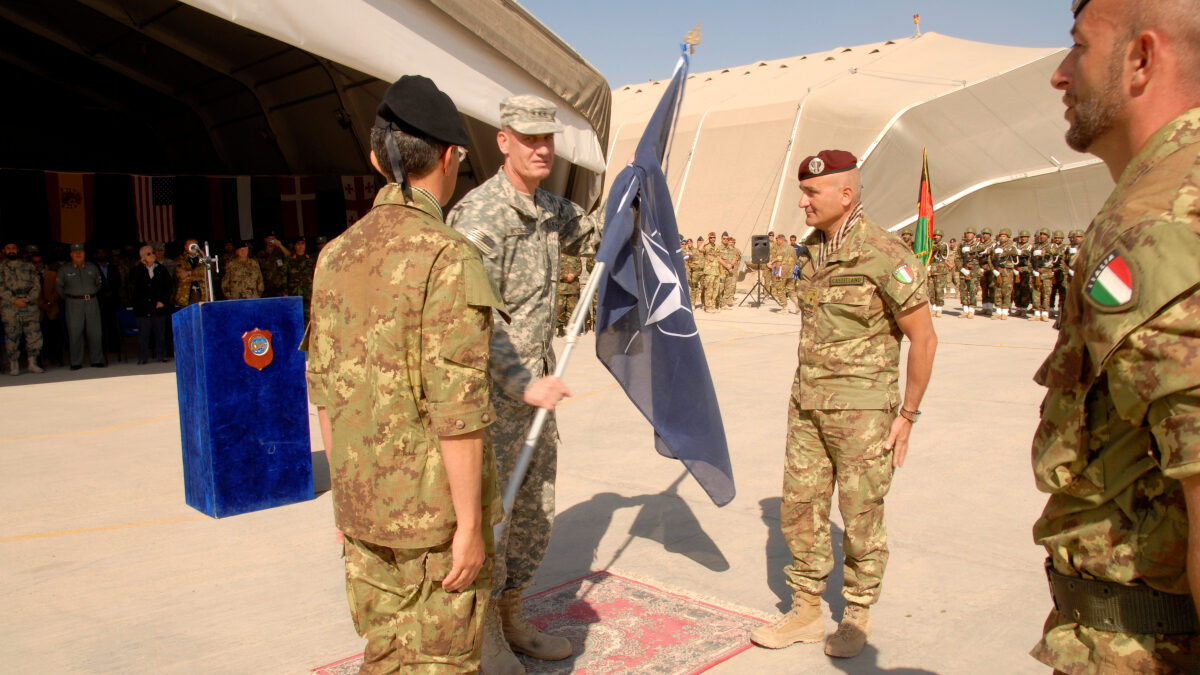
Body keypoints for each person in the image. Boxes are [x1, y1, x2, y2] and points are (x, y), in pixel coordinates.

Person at [305, 75, 507, 673]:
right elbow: (458, 409)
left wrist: (346, 506)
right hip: (432, 525)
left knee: (384, 656)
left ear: (376, 159)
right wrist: (469, 526)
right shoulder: (448, 254)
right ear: (449, 158)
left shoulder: (334, 255)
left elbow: (325, 392)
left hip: (363, 511)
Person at [1031, 0, 1200, 671]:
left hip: (1147, 649)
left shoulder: (1160, 223)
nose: (1060, 74)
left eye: (1080, 46)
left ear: (1141, 59)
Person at [751, 150, 937, 659]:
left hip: (863, 413)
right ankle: (806, 611)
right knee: (800, 508)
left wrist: (907, 415)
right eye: (803, 192)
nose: (803, 202)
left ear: (846, 195)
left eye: (812, 193)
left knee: (860, 513)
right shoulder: (811, 252)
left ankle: (856, 613)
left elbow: (923, 338)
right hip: (807, 405)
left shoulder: (884, 253)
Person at [447, 93, 601, 674]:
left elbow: (598, 234)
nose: (541, 149)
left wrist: (640, 195)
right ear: (503, 141)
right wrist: (522, 383)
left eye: (548, 139)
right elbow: (470, 320)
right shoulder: (481, 216)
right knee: (494, 516)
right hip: (491, 402)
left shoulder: (548, 209)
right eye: (529, 138)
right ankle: (482, 632)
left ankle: (512, 613)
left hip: (536, 397)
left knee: (533, 512)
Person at [56, 244, 105, 369]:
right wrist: (69, 298)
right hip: (73, 303)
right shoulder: (64, 269)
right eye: (75, 252)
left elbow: (99, 284)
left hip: (91, 301)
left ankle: (97, 360)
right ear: (71, 254)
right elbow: (59, 287)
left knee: (95, 332)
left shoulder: (92, 267)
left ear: (84, 253)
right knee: (75, 332)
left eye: (81, 251)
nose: (78, 254)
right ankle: (76, 362)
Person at [1, 242, 44, 374]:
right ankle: (14, 365)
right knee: (12, 335)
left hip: (29, 305)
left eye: (13, 248)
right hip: (10, 306)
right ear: (4, 251)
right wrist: (14, 300)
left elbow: (36, 285)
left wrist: (28, 298)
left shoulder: (28, 265)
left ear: (17, 250)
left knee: (33, 334)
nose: (11, 250)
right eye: (8, 248)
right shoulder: (1, 267)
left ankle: (32, 363)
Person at [127, 245, 173, 364]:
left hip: (158, 306)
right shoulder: (136, 270)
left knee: (160, 333)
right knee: (144, 334)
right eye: (149, 254)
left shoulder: (161, 269)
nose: (152, 255)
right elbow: (132, 282)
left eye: (153, 252)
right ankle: (143, 357)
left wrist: (163, 301)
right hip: (143, 308)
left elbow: (168, 287)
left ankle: (161, 355)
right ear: (142, 257)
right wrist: (141, 266)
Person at [987, 228, 1019, 319]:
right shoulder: (995, 246)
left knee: (1006, 291)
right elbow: (989, 258)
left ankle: (1005, 311)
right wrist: (993, 269)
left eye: (1004, 236)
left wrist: (1004, 252)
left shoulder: (1011, 246)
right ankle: (998, 311)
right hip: (997, 271)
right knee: (997, 291)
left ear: (1008, 237)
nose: (1002, 238)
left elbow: (1015, 253)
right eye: (1001, 236)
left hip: (1007, 271)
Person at [285, 237, 316, 320]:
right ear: (295, 246)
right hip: (294, 293)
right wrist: (285, 292)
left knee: (309, 317)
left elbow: (315, 276)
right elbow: (284, 276)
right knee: (295, 317)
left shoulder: (311, 260)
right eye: (298, 244)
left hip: (308, 294)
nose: (300, 246)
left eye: (302, 244)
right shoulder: (289, 260)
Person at [255, 233, 290, 297]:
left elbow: (289, 256)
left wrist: (280, 245)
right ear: (265, 240)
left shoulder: (280, 251)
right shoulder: (260, 254)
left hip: (280, 287)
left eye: (273, 239)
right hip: (266, 287)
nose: (271, 241)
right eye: (270, 239)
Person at [555, 253, 581, 337]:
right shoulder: (557, 254)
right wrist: (565, 276)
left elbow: (579, 268)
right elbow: (555, 269)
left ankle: (573, 328)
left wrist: (573, 275)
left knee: (573, 309)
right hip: (561, 288)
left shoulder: (575, 254)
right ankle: (560, 328)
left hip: (573, 287)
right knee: (559, 309)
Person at [928, 229, 950, 317]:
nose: (936, 237)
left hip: (940, 271)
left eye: (938, 236)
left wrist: (927, 245)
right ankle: (934, 308)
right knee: (931, 290)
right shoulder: (931, 245)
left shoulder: (943, 244)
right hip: (931, 271)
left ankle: (939, 309)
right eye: (935, 235)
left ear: (941, 237)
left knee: (939, 290)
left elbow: (937, 248)